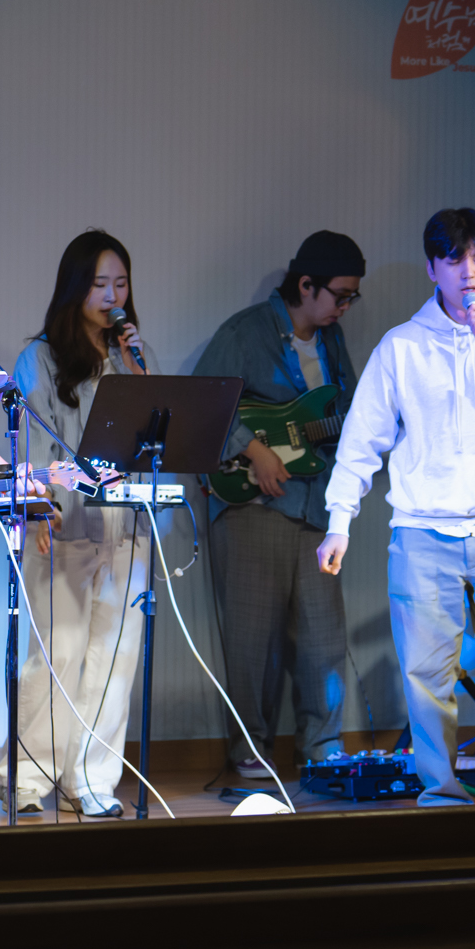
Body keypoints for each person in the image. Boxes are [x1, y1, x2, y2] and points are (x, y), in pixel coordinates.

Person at [320, 208, 475, 804]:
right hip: (423, 531)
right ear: (432, 269)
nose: (468, 271)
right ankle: (442, 796)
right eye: (454, 260)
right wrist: (339, 522)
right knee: (426, 676)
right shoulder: (401, 346)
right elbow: (361, 440)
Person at [0, 229, 158, 819]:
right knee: (57, 655)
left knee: (115, 657)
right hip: (62, 524)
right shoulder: (40, 358)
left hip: (125, 529)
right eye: (99, 284)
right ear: (75, 288)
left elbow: (157, 434)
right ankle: (26, 778)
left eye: (121, 284)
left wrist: (138, 369)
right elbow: (32, 446)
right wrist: (39, 508)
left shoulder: (133, 355)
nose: (113, 296)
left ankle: (91, 780)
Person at [197, 230, 368, 783]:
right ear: (306, 285)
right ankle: (250, 748)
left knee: (324, 638)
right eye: (340, 295)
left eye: (352, 298)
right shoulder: (244, 332)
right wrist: (255, 450)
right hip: (251, 503)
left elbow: (353, 412)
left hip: (317, 506)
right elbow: (202, 402)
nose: (345, 307)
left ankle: (323, 748)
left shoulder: (333, 343)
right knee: (252, 640)